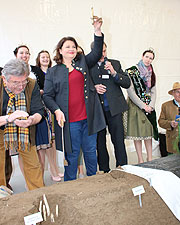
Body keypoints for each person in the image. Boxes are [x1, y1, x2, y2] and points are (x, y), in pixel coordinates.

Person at [43, 16, 106, 181]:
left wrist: (97, 30)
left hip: (88, 118)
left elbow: (97, 52)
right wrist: (56, 110)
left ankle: (93, 181)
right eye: (67, 46)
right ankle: (70, 185)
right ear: (60, 50)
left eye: (73, 46)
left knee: (91, 152)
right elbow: (48, 96)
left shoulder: (83, 63)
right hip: (69, 122)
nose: (71, 49)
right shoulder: (53, 72)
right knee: (71, 155)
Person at [0, 58, 44, 190]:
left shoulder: (31, 84)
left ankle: (38, 196)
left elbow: (38, 112)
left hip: (24, 131)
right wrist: (9, 118)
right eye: (15, 82)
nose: (20, 86)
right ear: (4, 79)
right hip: (2, 126)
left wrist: (31, 120)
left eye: (23, 81)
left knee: (33, 165)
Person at [90, 42, 130, 172]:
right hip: (98, 111)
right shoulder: (88, 66)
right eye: (100, 51)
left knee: (118, 140)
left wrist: (114, 72)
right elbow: (84, 86)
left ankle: (123, 166)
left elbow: (127, 83)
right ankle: (104, 169)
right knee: (100, 143)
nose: (103, 54)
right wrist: (94, 88)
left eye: (105, 51)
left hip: (115, 109)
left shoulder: (115, 63)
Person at [126, 49, 158, 163]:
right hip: (136, 106)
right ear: (142, 56)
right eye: (147, 57)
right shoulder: (132, 72)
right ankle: (140, 159)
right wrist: (143, 106)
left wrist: (151, 106)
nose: (148, 60)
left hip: (149, 106)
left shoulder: (151, 73)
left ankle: (149, 158)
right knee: (137, 133)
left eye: (151, 58)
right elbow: (131, 91)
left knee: (148, 132)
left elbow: (153, 91)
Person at [35, 50, 63, 181]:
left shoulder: (53, 71)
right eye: (42, 57)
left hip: (53, 107)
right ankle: (51, 172)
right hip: (42, 109)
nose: (45, 59)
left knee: (53, 142)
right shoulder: (35, 73)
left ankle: (55, 169)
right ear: (38, 59)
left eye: (47, 57)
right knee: (45, 143)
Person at [158, 82, 180, 154]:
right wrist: (170, 123)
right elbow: (160, 122)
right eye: (178, 92)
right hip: (172, 142)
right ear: (173, 93)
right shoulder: (166, 106)